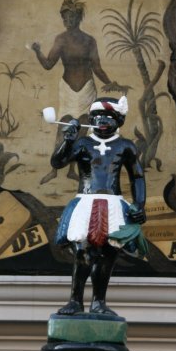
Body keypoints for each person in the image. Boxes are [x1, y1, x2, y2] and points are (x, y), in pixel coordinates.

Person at [51, 96, 147, 316]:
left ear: (119, 120)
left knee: (108, 253)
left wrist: (139, 205)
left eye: (109, 116)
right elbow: (58, 162)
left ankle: (99, 302)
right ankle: (75, 300)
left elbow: (138, 177)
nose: (103, 120)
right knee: (82, 251)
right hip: (86, 202)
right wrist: (68, 140)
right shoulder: (83, 144)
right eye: (98, 116)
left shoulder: (125, 146)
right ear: (91, 119)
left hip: (113, 205)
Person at [32, 0, 125, 183]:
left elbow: (97, 67)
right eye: (65, 17)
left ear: (79, 17)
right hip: (67, 88)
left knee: (83, 128)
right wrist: (37, 51)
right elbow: (49, 64)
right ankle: (54, 168)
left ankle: (72, 170)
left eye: (72, 17)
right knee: (63, 127)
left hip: (87, 89)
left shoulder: (89, 41)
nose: (68, 21)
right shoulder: (61, 39)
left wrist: (110, 82)